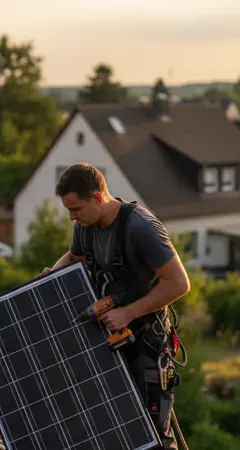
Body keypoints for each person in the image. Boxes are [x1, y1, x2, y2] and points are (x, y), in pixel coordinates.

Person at [42, 162, 190, 449]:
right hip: (109, 337)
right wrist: (49, 276)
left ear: (98, 198)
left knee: (152, 436)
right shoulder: (86, 226)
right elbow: (73, 258)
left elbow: (179, 283)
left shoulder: (141, 228)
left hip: (146, 342)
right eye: (68, 210)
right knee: (111, 425)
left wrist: (127, 313)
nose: (72, 217)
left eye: (76, 209)